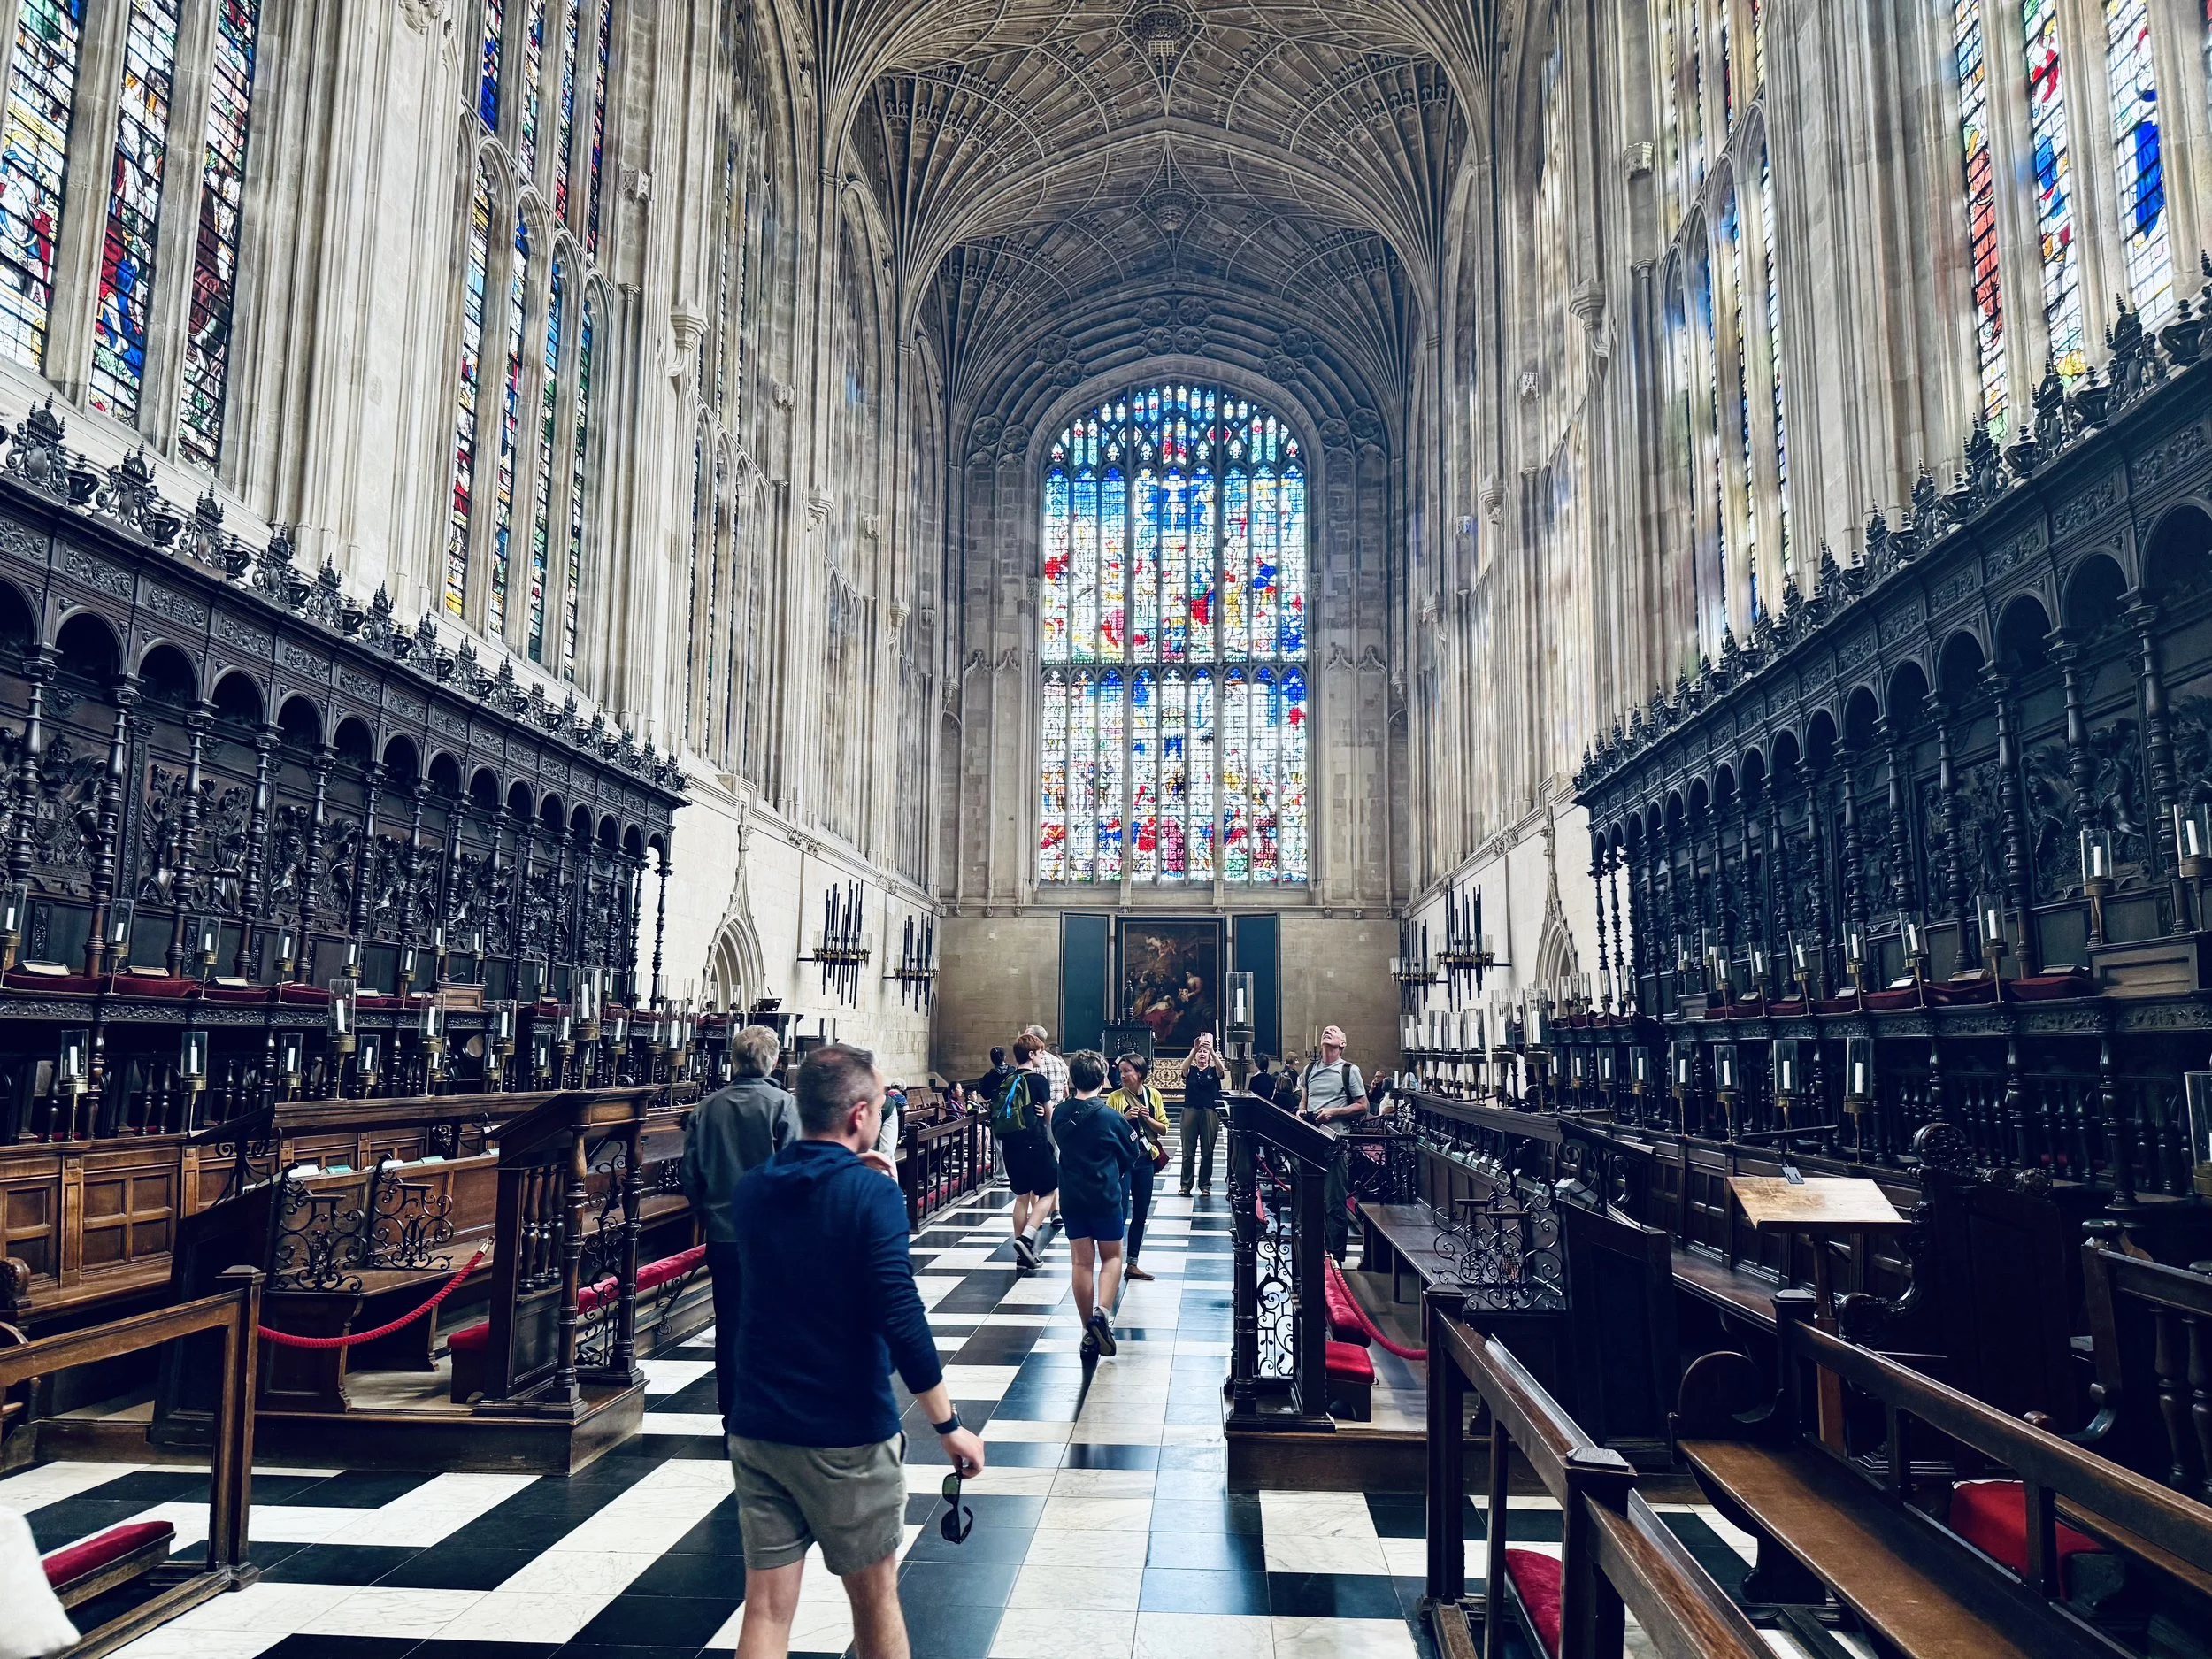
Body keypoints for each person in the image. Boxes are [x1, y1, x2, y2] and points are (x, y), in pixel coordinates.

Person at [726, 1043, 987, 1659]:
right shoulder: (871, 1194)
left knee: (765, 1608)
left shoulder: (754, 1190)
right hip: (843, 1427)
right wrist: (948, 1424)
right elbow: (901, 1316)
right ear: (859, 1114)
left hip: (759, 1419)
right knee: (874, 1598)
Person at [680, 1023, 799, 1429]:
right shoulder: (783, 1106)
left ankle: (733, 1413)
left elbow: (690, 1173)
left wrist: (707, 1213)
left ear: (733, 1060)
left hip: (724, 1234)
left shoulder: (707, 1107)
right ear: (774, 1059)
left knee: (729, 1323)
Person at [1051, 1048, 1141, 1355]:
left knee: (1081, 1262)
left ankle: (1086, 1330)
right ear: (1104, 1079)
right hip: (1104, 1194)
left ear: (1072, 1078)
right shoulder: (1111, 1117)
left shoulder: (1061, 1113)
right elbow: (1132, 1154)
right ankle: (1102, 1313)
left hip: (1072, 1196)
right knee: (1112, 1258)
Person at [1293, 1025, 1369, 1262]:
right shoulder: (1310, 1068)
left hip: (1334, 1144)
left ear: (1342, 1043)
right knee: (1306, 1203)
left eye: (1334, 1031)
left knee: (1334, 1203)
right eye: (1326, 1030)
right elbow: (1304, 1101)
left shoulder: (1348, 1070)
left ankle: (1336, 1259)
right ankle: (1309, 1254)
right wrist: (1301, 1112)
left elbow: (1363, 1105)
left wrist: (1333, 1112)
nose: (1327, 1031)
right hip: (1309, 1143)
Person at [997, 1035, 1059, 1271]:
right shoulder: (1038, 1080)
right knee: (1049, 1191)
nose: (1042, 1056)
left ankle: (1023, 1256)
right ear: (1031, 1055)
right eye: (1040, 1052)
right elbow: (1050, 1114)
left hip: (1010, 1146)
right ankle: (1027, 1237)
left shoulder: (1008, 1078)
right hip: (1034, 1143)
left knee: (1022, 1197)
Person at [1109, 1052, 1170, 1280]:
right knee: (1120, 1210)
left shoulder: (1153, 1095)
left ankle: (1132, 1263)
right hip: (1124, 1161)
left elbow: (1164, 1128)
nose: (1122, 1075)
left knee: (1141, 1212)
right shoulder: (1115, 1097)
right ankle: (1113, 1261)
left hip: (1145, 1160)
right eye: (1121, 1071)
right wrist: (1124, 1118)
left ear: (1140, 1073)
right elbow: (1108, 1130)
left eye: (1127, 1071)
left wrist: (1147, 1119)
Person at [1179, 1032, 1225, 1195]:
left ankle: (1205, 1185)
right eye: (1200, 1053)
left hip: (1209, 1112)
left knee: (1207, 1151)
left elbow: (1222, 1070)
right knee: (1188, 1151)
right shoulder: (1191, 1070)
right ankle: (1186, 1185)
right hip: (1190, 1110)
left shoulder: (1213, 1071)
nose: (1202, 1055)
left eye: (1204, 1053)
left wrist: (1212, 1051)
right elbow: (1183, 1070)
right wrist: (1193, 1050)